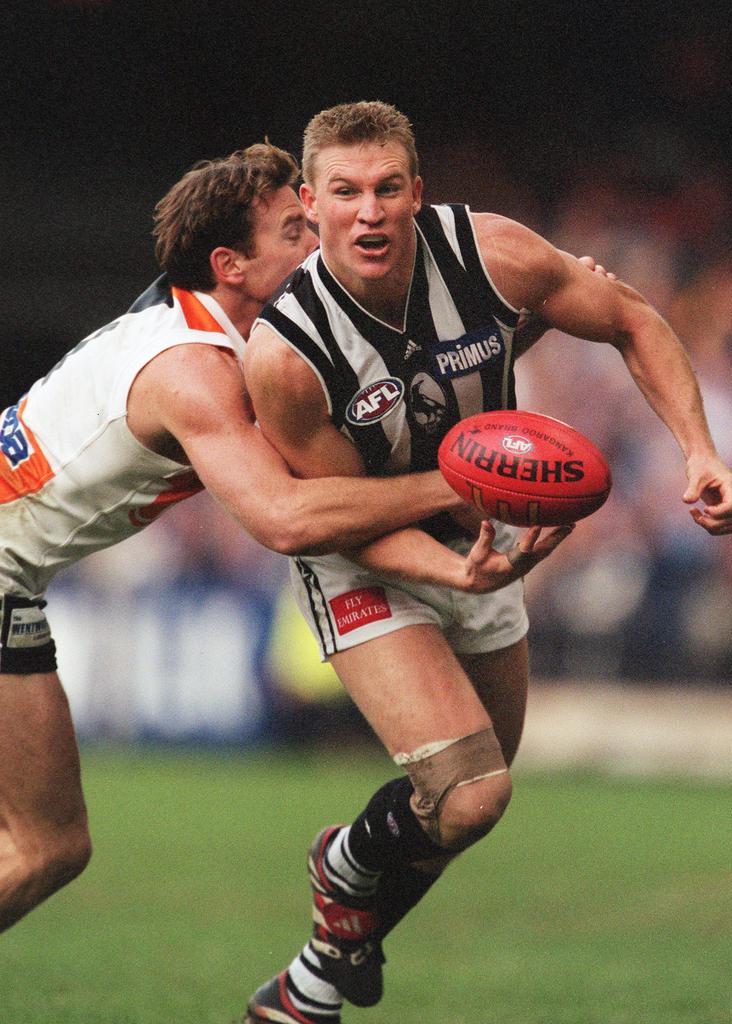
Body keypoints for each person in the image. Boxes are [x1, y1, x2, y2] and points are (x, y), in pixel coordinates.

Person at [242, 102, 732, 1023]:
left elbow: (632, 318)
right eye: (346, 193)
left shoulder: (491, 254)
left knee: (460, 806)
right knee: (470, 794)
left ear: (419, 194)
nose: (370, 212)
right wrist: (450, 563)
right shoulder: (287, 355)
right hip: (364, 556)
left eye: (389, 188)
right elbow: (339, 518)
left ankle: (312, 977)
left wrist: (699, 452)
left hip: (484, 542)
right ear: (310, 208)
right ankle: (345, 861)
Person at [0, 140, 558, 935]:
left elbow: (377, 402)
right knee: (42, 849)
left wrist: (521, 321)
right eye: (297, 229)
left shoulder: (226, 334)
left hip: (10, 583)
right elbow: (286, 517)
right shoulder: (196, 371)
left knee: (47, 848)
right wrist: (460, 483)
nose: (319, 238)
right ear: (229, 265)